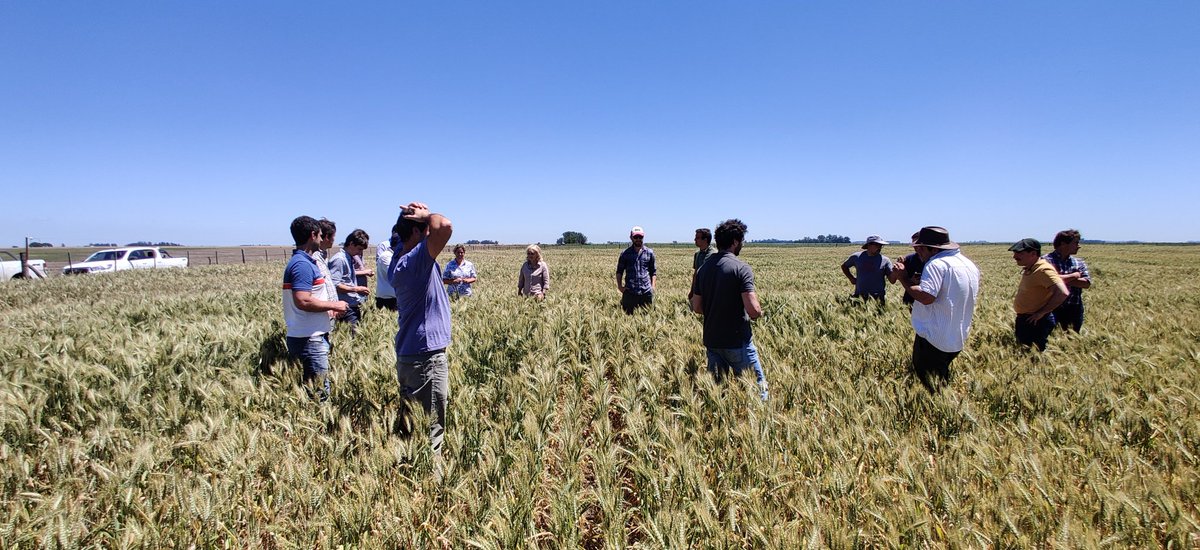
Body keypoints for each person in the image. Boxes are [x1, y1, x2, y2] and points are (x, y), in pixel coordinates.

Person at [387, 202, 453, 456]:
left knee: (412, 424)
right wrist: (427, 216)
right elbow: (444, 226)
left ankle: (408, 468)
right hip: (426, 359)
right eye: (425, 230)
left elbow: (399, 233)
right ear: (415, 233)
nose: (429, 235)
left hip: (409, 355)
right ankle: (431, 480)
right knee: (432, 426)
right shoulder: (415, 262)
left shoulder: (398, 258)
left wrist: (413, 217)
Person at [690, 219, 768, 401]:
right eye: (741, 241)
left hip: (712, 341)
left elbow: (697, 307)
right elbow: (753, 310)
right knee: (759, 390)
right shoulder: (741, 268)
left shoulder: (703, 269)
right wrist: (759, 312)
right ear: (734, 242)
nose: (742, 244)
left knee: (718, 394)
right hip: (737, 342)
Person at [895, 227, 981, 392]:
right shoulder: (968, 264)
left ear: (933, 248)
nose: (918, 251)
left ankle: (943, 411)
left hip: (934, 337)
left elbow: (926, 297)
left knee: (933, 385)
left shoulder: (936, 264)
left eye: (921, 247)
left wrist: (903, 277)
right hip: (956, 336)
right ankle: (944, 406)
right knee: (940, 378)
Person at [282, 215, 349, 402]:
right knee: (319, 394)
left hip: (311, 336)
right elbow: (302, 301)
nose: (322, 239)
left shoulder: (305, 262)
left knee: (316, 390)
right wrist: (333, 304)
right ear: (312, 235)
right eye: (320, 235)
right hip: (310, 339)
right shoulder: (302, 265)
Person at [1009, 238, 1069, 351]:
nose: (1014, 256)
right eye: (1014, 253)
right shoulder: (1031, 269)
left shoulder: (1043, 270)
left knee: (1034, 355)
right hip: (1026, 319)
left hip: (1036, 322)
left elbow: (1062, 292)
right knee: (1025, 353)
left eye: (1019, 253)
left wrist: (1041, 313)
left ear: (1033, 254)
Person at [1042, 229, 1092, 332]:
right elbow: (1045, 280)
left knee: (1072, 339)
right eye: (1076, 243)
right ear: (1063, 244)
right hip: (1052, 307)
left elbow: (1086, 283)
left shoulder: (1079, 262)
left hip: (1074, 307)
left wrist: (1058, 278)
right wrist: (1075, 275)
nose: (1079, 246)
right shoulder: (1045, 260)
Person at [328, 229, 372, 332]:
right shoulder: (339, 259)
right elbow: (335, 285)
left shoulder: (348, 258)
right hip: (345, 308)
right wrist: (356, 289)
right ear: (351, 244)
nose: (360, 253)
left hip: (351, 306)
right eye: (359, 249)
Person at [616, 226, 657, 314]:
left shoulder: (650, 253)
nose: (638, 239)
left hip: (646, 292)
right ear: (631, 237)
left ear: (643, 237)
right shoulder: (625, 254)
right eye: (635, 237)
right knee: (627, 319)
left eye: (640, 237)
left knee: (648, 318)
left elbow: (653, 271)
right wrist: (620, 286)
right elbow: (619, 271)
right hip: (630, 292)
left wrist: (652, 286)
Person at [841, 235, 893, 301]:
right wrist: (851, 278)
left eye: (881, 245)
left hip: (878, 296)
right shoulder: (856, 257)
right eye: (877, 245)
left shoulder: (885, 260)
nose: (879, 247)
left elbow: (892, 280)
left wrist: (898, 271)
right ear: (869, 245)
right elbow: (844, 266)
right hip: (859, 295)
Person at [889, 232, 925, 309]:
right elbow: (892, 280)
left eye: (917, 245)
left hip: (926, 299)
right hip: (910, 298)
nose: (915, 248)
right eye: (913, 245)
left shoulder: (934, 261)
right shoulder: (909, 259)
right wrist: (898, 265)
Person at [688, 228, 716, 301]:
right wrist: (692, 290)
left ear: (705, 240)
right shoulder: (697, 254)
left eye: (697, 238)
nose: (694, 240)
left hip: (710, 289)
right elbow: (696, 273)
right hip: (700, 288)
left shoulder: (713, 254)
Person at [374, 239, 397, 310]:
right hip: (388, 298)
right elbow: (395, 275)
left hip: (394, 297)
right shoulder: (386, 256)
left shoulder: (394, 255)